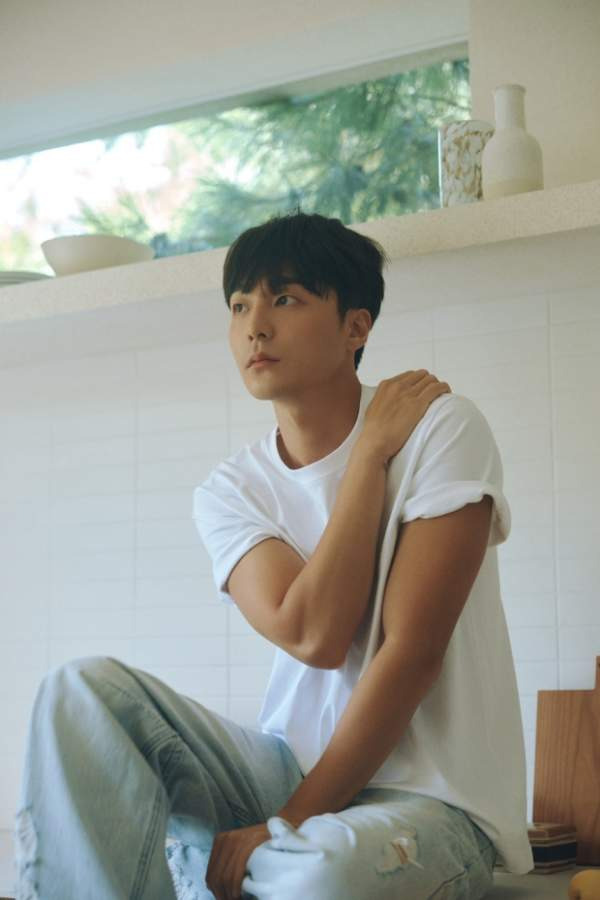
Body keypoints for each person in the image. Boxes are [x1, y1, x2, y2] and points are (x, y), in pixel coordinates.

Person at [13, 209, 533, 900]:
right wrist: (368, 459)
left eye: (285, 299)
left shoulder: (440, 428)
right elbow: (315, 633)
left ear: (356, 327)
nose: (255, 326)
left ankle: (214, 866)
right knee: (78, 693)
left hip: (428, 802)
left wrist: (284, 825)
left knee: (318, 874)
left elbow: (411, 652)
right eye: (239, 306)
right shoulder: (231, 490)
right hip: (286, 773)